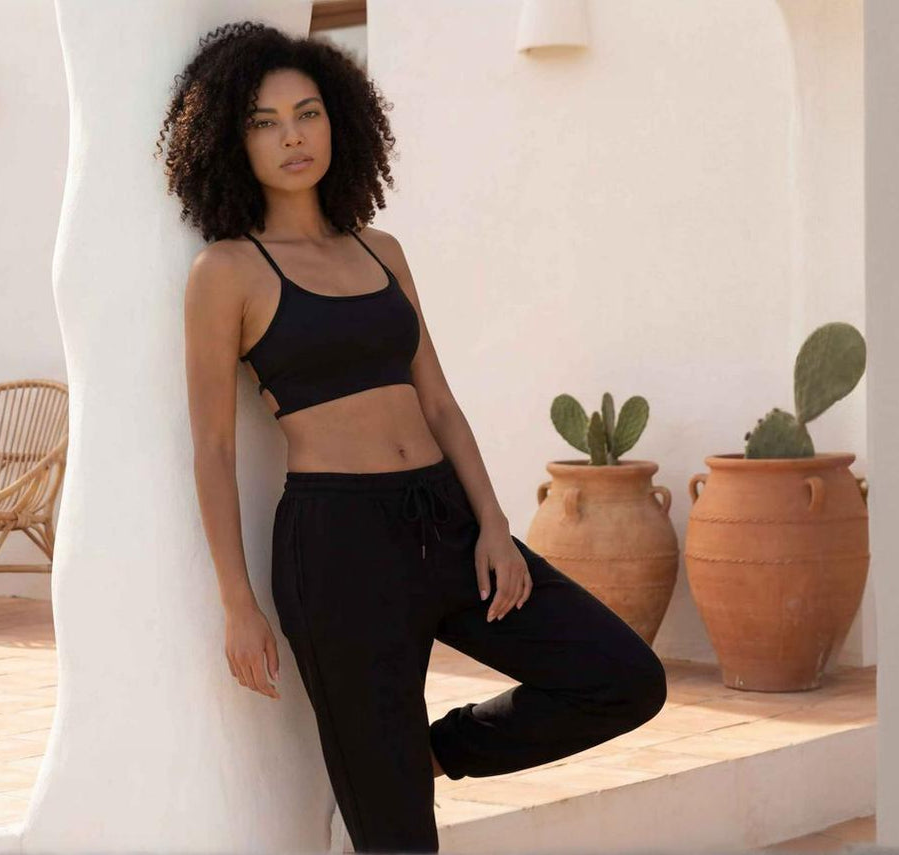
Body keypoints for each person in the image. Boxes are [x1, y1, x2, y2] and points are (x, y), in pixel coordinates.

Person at [165, 21, 669, 854]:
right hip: (338, 547)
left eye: (308, 112)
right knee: (398, 837)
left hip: (447, 520)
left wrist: (494, 524)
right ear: (233, 140)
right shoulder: (227, 272)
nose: (292, 136)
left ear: (339, 120)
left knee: (623, 676)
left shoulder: (382, 251)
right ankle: (392, 774)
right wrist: (236, 603)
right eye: (264, 121)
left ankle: (432, 754)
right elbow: (213, 448)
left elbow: (438, 401)